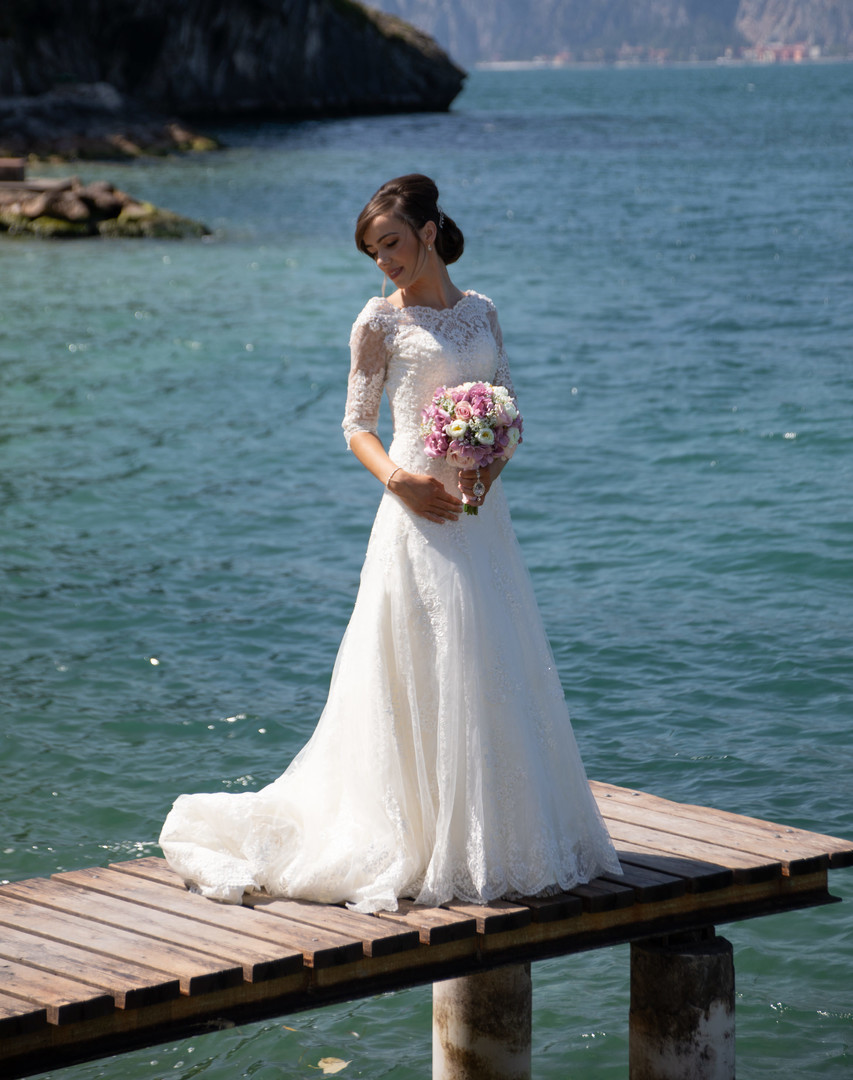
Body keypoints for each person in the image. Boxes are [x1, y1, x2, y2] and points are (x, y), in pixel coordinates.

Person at [159, 174, 620, 911]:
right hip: (413, 518)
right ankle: (419, 832)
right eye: (373, 252)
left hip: (477, 518)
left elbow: (506, 408)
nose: (383, 262)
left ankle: (495, 836)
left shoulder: (483, 314)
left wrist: (489, 466)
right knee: (421, 662)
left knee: (492, 662)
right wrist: (400, 482)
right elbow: (354, 425)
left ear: (429, 233)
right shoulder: (378, 322)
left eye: (392, 245)